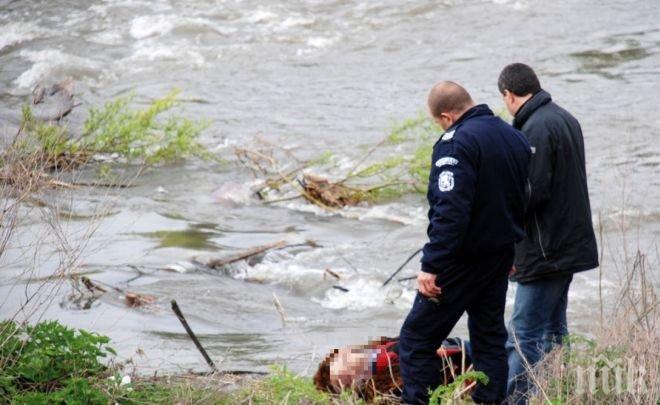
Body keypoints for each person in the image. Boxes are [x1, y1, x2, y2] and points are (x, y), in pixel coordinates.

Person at [398, 82, 531, 404]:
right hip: (499, 256)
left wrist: (431, 266)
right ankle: (491, 400)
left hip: (462, 260)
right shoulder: (513, 136)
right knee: (488, 337)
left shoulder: (456, 143)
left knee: (416, 340)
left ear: (445, 116)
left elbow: (450, 211)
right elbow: (522, 196)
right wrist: (510, 244)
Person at [497, 63, 599, 403]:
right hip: (567, 245)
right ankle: (560, 392)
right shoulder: (563, 117)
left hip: (545, 251)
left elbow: (532, 192)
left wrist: (499, 222)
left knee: (522, 334)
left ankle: (517, 400)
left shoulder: (536, 127)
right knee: (554, 330)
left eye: (505, 99)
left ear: (509, 95)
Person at [313, 336, 469, 401]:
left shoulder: (382, 347)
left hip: (465, 347)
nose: (353, 363)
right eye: (347, 378)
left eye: (345, 358)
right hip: (471, 366)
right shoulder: (389, 386)